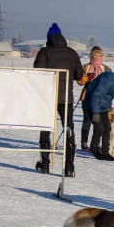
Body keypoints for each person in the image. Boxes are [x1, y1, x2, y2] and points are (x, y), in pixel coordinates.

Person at [33, 23, 84, 177]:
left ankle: (45, 164)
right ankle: (69, 167)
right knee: (68, 129)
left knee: (46, 128)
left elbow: (38, 72)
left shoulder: (44, 52)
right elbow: (79, 75)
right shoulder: (72, 53)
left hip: (48, 96)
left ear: (49, 38)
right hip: (66, 98)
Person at [77, 46, 112, 152]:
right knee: (87, 120)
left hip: (101, 100)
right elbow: (79, 81)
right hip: (87, 97)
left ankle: (96, 143)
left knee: (100, 123)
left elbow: (110, 83)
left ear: (102, 56)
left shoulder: (106, 68)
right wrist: (88, 78)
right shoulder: (86, 67)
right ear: (91, 56)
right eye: (94, 55)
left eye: (98, 55)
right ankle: (84, 142)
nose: (96, 57)